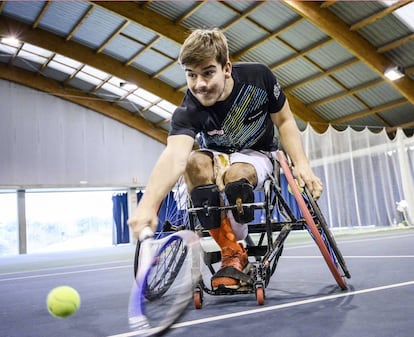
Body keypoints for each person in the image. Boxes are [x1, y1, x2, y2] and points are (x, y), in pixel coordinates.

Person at [128, 28, 323, 290]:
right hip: (216, 156)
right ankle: (232, 252)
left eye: (208, 72)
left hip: (257, 153)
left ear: (226, 68)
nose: (200, 84)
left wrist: (302, 165)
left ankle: (238, 220)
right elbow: (174, 155)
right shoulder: (188, 110)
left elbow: (285, 121)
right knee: (192, 163)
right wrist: (148, 205)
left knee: (237, 176)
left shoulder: (259, 78)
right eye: (191, 75)